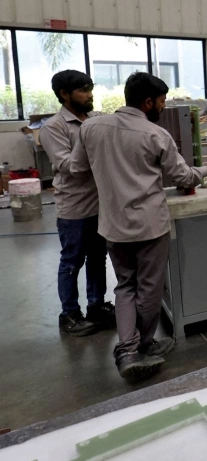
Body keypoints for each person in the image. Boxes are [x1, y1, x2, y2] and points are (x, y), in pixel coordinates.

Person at [70, 73, 207, 382]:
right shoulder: (155, 135)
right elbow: (184, 178)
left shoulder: (91, 128)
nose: (163, 107)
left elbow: (77, 168)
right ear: (148, 102)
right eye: (161, 102)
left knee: (125, 286)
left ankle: (126, 348)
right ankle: (142, 348)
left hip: (112, 224)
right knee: (149, 287)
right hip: (149, 225)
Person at [39, 70, 115, 337]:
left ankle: (96, 307)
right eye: (83, 90)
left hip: (100, 206)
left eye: (90, 88)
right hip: (74, 209)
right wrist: (91, 143)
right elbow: (68, 165)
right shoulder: (54, 127)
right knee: (72, 261)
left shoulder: (95, 119)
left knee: (98, 259)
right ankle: (69, 314)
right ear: (64, 94)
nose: (90, 94)